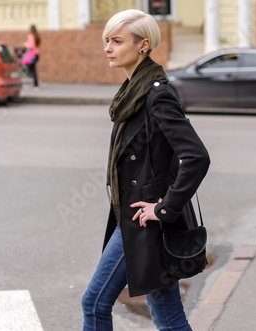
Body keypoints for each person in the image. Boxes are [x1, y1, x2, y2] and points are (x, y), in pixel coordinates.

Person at [81, 9, 210, 331]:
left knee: (94, 303)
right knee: (168, 316)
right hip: (135, 216)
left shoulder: (156, 95)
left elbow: (196, 157)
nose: (108, 48)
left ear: (143, 45)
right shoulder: (131, 94)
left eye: (117, 40)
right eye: (106, 41)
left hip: (142, 221)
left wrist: (164, 208)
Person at [24, 25, 41, 89]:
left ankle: (36, 83)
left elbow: (31, 46)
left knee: (31, 69)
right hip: (37, 54)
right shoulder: (37, 36)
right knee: (33, 69)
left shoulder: (31, 36)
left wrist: (26, 45)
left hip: (32, 55)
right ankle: (36, 81)